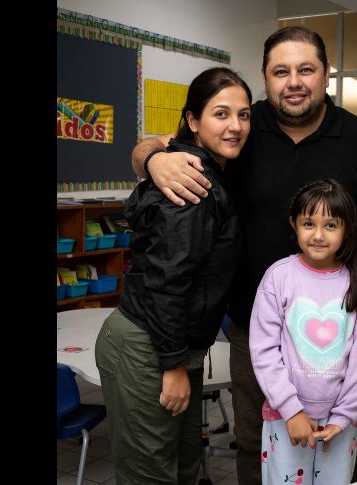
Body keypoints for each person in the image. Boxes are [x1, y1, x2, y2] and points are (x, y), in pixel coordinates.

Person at [130, 26, 357, 484]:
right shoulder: (240, 128)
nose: (294, 82)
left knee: (344, 440)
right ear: (265, 76)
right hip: (254, 330)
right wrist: (153, 160)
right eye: (281, 72)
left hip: (340, 327)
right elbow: (157, 145)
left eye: (306, 70)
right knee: (254, 440)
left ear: (326, 74)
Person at [95, 67, 252, 485]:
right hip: (150, 348)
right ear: (193, 121)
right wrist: (173, 366)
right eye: (221, 113)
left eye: (244, 115)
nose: (235, 126)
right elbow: (168, 282)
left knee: (183, 468)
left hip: (174, 347)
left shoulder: (206, 168)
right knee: (150, 476)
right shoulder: (192, 184)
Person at [251, 179, 357, 485]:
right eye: (309, 223)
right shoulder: (278, 278)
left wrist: (344, 417)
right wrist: (292, 411)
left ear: (347, 229)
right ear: (293, 224)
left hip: (339, 422)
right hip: (286, 417)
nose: (318, 235)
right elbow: (264, 352)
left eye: (330, 225)